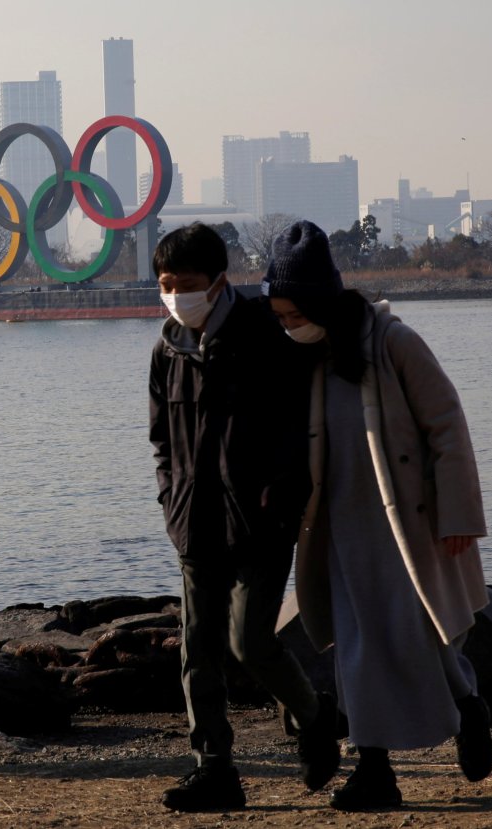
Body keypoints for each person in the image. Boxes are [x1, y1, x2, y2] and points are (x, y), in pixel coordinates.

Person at [262, 220, 492, 811]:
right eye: (282, 318)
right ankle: (375, 771)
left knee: (431, 635)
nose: (288, 327)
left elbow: (448, 427)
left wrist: (459, 516)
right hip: (340, 530)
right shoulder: (306, 357)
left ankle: (470, 710)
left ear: (317, 301)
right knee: (356, 648)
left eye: (293, 315)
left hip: (408, 526)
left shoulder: (393, 341)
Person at [148, 223, 339, 812]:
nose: (177, 294)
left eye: (187, 284)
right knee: (197, 651)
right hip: (193, 522)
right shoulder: (165, 348)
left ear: (219, 280)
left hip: (260, 522)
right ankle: (215, 770)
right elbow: (160, 439)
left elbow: (309, 419)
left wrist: (289, 491)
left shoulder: (266, 335)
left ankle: (315, 716)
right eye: (166, 284)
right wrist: (169, 496)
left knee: (250, 642)